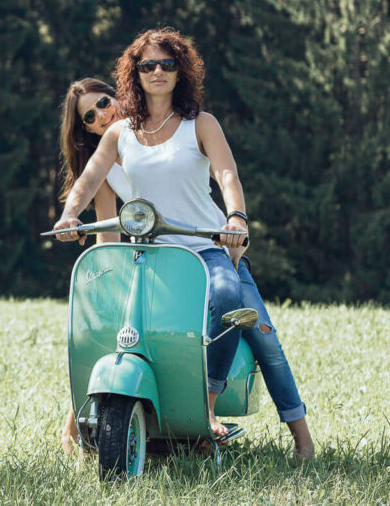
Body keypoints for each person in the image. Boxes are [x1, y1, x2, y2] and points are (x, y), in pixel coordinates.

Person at [53, 30, 314, 461]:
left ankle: (289, 436)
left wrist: (236, 217)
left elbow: (227, 175)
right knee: (118, 331)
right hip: (150, 256)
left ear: (181, 71)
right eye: (148, 65)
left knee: (250, 320)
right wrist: (69, 215)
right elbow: (88, 180)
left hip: (208, 247)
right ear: (133, 74)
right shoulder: (120, 133)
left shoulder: (201, 124)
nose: (158, 72)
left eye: (167, 64)